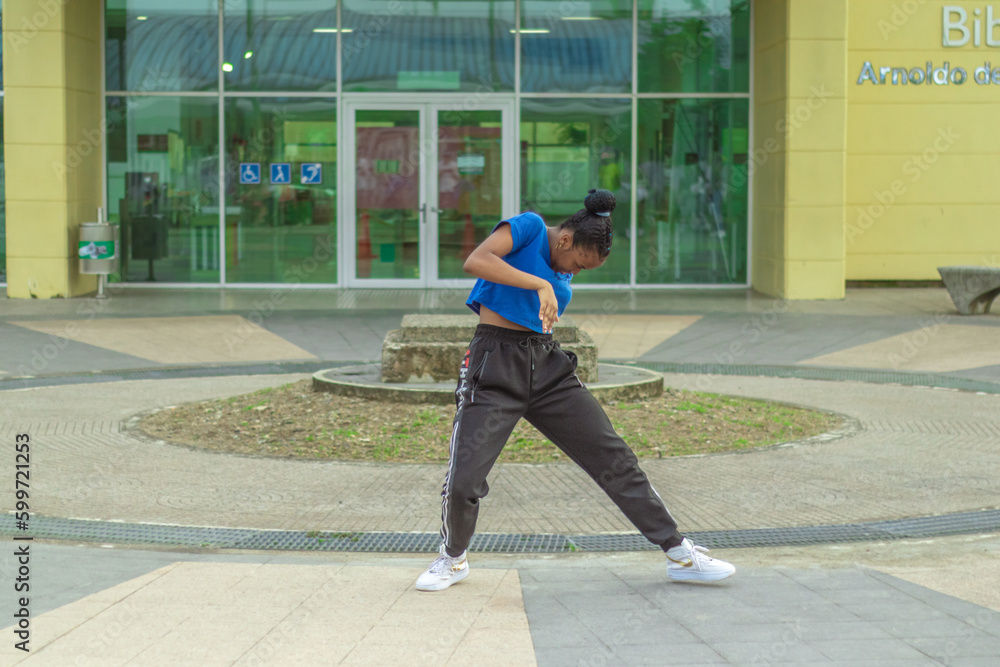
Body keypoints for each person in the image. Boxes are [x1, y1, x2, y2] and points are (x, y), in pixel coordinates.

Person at [415, 189, 735, 591]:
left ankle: (679, 553)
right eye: (578, 264)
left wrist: (548, 285)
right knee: (464, 479)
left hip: (547, 369)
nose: (574, 274)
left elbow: (544, 300)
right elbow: (476, 260)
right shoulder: (530, 228)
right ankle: (453, 558)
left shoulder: (563, 266)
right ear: (566, 240)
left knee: (614, 458)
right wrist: (540, 285)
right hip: (493, 365)